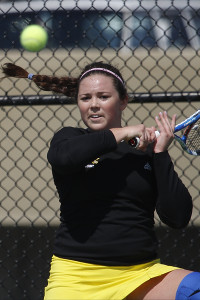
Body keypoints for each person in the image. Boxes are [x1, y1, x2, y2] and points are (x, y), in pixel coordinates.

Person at [1, 61, 200, 300]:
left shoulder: (145, 151)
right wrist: (124, 132)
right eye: (86, 98)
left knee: (194, 290)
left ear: (123, 101)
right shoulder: (69, 139)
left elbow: (177, 217)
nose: (94, 105)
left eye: (103, 96)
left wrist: (160, 153)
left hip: (141, 276)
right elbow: (63, 158)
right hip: (76, 278)